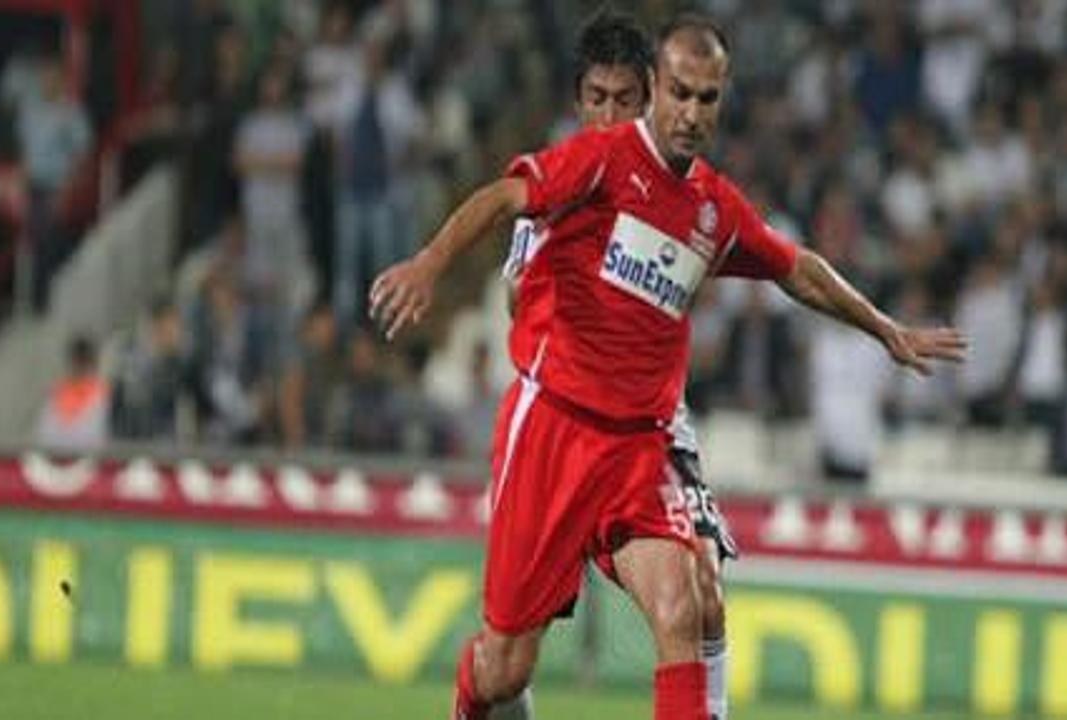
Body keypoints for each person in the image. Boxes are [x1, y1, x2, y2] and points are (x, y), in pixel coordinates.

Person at [370, 15, 966, 720]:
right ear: (656, 87)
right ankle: (473, 697)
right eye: (679, 93)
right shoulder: (602, 159)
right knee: (505, 669)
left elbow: (795, 268)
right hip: (556, 430)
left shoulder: (713, 208)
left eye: (706, 98)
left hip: (638, 447)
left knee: (683, 604)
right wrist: (430, 263)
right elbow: (505, 197)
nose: (690, 112)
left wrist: (884, 327)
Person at [494, 14, 736, 720]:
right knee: (509, 660)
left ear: (651, 98)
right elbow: (516, 299)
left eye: (623, 100)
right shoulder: (561, 185)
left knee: (702, 589)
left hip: (651, 426)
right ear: (577, 102)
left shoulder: (686, 186)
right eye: (595, 99)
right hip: (563, 419)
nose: (608, 116)